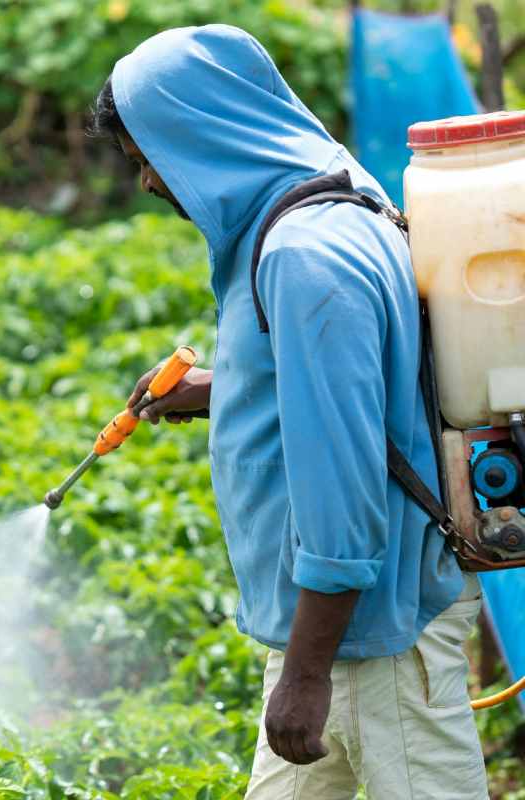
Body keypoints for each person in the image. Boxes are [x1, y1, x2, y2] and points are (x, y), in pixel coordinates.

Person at [93, 25, 488, 799]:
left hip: (370, 639)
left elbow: (343, 489)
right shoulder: (333, 185)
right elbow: (363, 383)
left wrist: (305, 676)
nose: (147, 184)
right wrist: (225, 388)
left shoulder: (302, 259)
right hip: (335, 625)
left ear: (202, 138)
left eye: (149, 160)